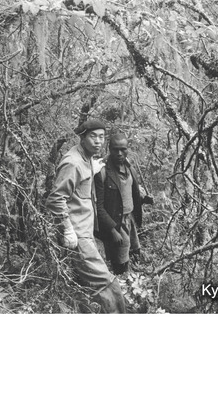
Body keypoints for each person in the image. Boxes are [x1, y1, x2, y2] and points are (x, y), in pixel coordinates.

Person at [46, 119, 126, 313]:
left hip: (86, 232)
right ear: (82, 138)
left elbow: (81, 180)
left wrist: (92, 168)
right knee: (106, 283)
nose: (98, 141)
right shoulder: (72, 163)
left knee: (87, 286)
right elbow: (56, 199)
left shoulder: (87, 158)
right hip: (78, 235)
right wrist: (67, 229)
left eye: (102, 137)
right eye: (93, 136)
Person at [95, 132, 153, 275]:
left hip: (130, 219)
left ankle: (134, 280)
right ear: (109, 149)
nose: (119, 153)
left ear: (128, 149)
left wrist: (144, 199)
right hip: (116, 223)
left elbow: (130, 194)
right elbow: (99, 207)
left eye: (123, 149)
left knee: (135, 252)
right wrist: (112, 230)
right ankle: (120, 283)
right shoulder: (102, 172)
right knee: (120, 261)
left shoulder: (130, 169)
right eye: (115, 149)